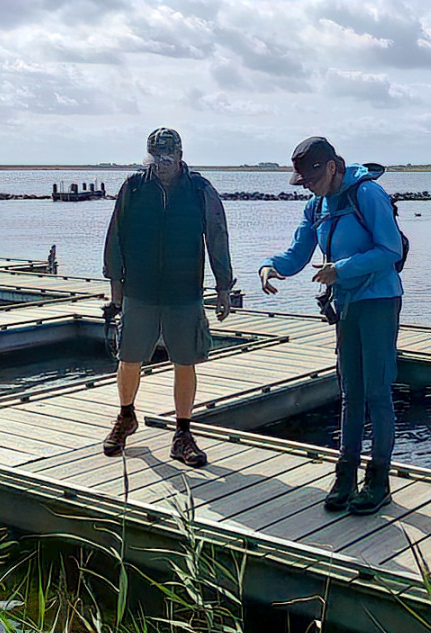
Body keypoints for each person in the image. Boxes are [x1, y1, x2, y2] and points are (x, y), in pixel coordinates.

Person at [259, 137, 403, 515]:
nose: (304, 184)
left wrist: (341, 269)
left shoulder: (368, 194)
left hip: (379, 301)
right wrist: (271, 265)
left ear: (333, 167)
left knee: (377, 391)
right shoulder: (316, 205)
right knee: (350, 391)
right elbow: (297, 252)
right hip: (346, 304)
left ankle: (379, 479)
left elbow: (391, 250)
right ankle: (345, 474)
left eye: (310, 177)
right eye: (301, 179)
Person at [102, 128, 234, 468]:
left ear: (179, 157)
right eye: (155, 159)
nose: (160, 165)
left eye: (166, 159)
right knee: (129, 357)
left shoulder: (200, 189)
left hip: (184, 290)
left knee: (185, 360)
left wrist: (223, 287)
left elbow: (217, 236)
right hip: (140, 289)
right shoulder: (133, 187)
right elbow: (115, 236)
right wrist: (115, 285)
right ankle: (126, 416)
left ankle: (183, 433)